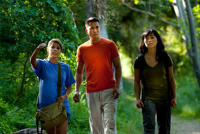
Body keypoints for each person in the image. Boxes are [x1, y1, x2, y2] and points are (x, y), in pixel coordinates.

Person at [73, 17, 122, 134]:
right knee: (96, 127)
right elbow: (79, 71)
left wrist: (117, 86)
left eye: (97, 27)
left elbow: (118, 67)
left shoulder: (110, 45)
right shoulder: (82, 49)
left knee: (110, 124)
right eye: (92, 28)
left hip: (109, 90)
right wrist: (76, 90)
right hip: (92, 91)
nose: (95, 30)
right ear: (87, 31)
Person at [134, 29, 177, 134]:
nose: (149, 40)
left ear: (157, 39)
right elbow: (136, 81)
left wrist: (174, 97)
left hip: (165, 98)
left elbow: (171, 79)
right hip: (148, 99)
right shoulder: (139, 60)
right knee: (149, 129)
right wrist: (138, 98)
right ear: (143, 41)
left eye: (152, 37)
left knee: (164, 130)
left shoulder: (165, 58)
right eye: (146, 38)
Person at [30, 39, 75, 134]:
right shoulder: (42, 64)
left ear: (60, 52)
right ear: (47, 49)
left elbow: (69, 87)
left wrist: (65, 96)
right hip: (46, 107)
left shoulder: (65, 67)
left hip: (61, 106)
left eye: (58, 48)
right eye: (53, 47)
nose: (55, 50)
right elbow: (32, 61)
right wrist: (37, 49)